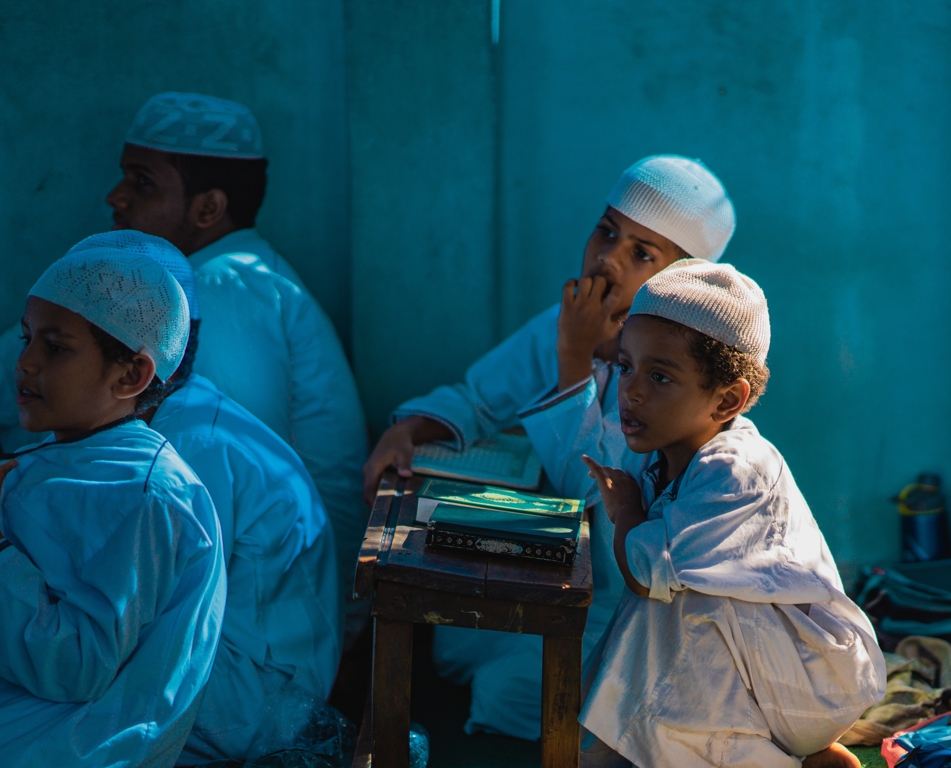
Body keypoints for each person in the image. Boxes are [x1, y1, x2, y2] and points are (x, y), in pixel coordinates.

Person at [362, 155, 736, 740]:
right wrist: (409, 431)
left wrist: (573, 359)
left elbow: (587, 488)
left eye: (642, 253)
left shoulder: (680, 378)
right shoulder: (568, 323)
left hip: (633, 606)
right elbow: (478, 397)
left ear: (683, 281)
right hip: (557, 566)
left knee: (507, 693)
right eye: (607, 232)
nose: (608, 258)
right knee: (452, 639)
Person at [0, 92, 369, 639]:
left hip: (259, 636)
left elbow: (202, 480)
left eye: (142, 182)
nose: (116, 197)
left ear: (208, 209)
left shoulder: (220, 288)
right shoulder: (190, 282)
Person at [577, 261, 884, 768]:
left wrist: (626, 509)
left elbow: (643, 572)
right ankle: (790, 756)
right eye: (626, 366)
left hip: (813, 683)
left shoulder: (737, 471)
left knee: (674, 603)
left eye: (659, 375)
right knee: (676, 603)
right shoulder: (668, 450)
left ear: (727, 400)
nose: (631, 390)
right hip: (767, 679)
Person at [76, 231, 342, 763]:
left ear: (134, 365)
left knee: (59, 661)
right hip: (247, 666)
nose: (28, 366)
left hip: (263, 699)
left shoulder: (186, 450)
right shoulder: (171, 413)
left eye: (58, 347)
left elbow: (135, 605)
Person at [0, 240, 226, 766]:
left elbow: (76, 665)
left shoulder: (149, 496)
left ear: (130, 375)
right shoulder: (70, 454)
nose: (23, 363)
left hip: (56, 742)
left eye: (56, 347)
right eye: (27, 339)